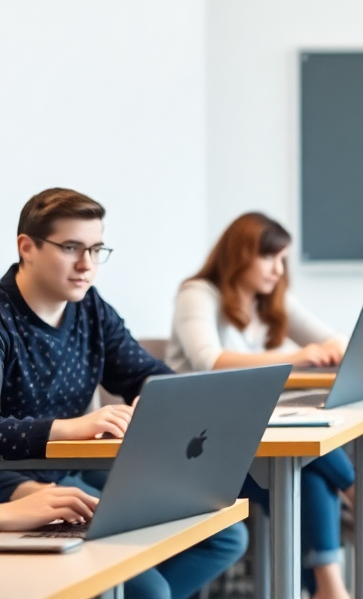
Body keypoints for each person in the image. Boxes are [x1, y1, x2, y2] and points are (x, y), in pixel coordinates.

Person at [0, 188, 246, 599]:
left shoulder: (89, 307)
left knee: (224, 536)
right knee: (151, 590)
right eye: (71, 248)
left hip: (70, 469)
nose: (87, 265)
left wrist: (161, 397)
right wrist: (68, 428)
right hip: (12, 479)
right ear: (27, 247)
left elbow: (145, 373)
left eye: (96, 250)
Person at [166, 212, 363, 599]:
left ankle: (330, 588)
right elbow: (209, 360)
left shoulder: (270, 299)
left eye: (282, 259)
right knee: (317, 473)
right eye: (269, 257)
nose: (278, 270)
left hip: (254, 442)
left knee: (307, 474)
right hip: (204, 452)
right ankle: (360, 492)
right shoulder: (198, 293)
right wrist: (295, 357)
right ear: (240, 255)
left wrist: (334, 348)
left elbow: (334, 339)